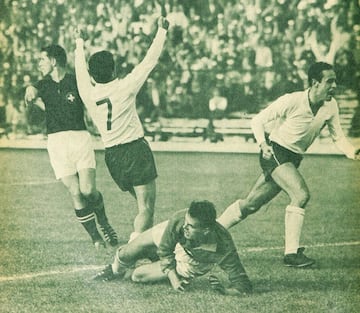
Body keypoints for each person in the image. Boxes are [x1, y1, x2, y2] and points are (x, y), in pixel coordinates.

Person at [217, 62, 360, 267]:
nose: (334, 85)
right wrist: (263, 144)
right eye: (330, 81)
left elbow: (338, 137)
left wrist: (352, 151)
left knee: (251, 204)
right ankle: (291, 254)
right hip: (275, 151)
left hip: (292, 159)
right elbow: (257, 120)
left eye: (335, 81)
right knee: (301, 194)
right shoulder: (292, 100)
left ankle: (209, 232)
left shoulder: (331, 106)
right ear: (315, 83)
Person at [74, 16, 169, 242]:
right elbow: (149, 61)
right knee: (145, 208)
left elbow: (79, 71)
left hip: (112, 157)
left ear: (92, 73)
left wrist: (79, 42)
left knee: (141, 204)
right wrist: (162, 31)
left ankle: (145, 246)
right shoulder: (124, 87)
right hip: (135, 150)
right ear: (114, 69)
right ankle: (131, 251)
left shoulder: (88, 94)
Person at [24, 44, 118, 249]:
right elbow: (34, 94)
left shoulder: (76, 81)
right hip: (56, 143)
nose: (39, 64)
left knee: (88, 190)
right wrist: (30, 90)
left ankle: (104, 222)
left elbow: (93, 101)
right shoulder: (42, 84)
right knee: (75, 192)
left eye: (42, 59)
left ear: (54, 61)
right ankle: (96, 238)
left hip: (80, 139)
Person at [93, 200, 252, 296]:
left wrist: (225, 291)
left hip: (192, 262)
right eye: (186, 222)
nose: (185, 227)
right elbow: (165, 248)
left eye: (190, 226)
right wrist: (173, 279)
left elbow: (243, 285)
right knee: (126, 252)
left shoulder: (223, 247)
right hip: (177, 244)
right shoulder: (181, 219)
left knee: (136, 276)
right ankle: (114, 270)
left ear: (206, 230)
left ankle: (152, 266)